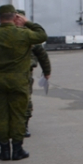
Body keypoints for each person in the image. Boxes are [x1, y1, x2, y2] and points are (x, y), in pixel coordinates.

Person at [0, 4, 47, 161]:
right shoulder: (24, 34)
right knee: (18, 114)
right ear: (15, 17)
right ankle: (17, 149)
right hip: (19, 82)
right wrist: (27, 22)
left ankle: (4, 151)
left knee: (0, 115)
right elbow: (42, 35)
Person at [15, 10, 50, 138]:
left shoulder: (30, 36)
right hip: (7, 74)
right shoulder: (4, 34)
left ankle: (23, 125)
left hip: (25, 74)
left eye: (19, 19)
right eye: (15, 18)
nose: (17, 21)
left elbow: (42, 55)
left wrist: (47, 72)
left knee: (25, 100)